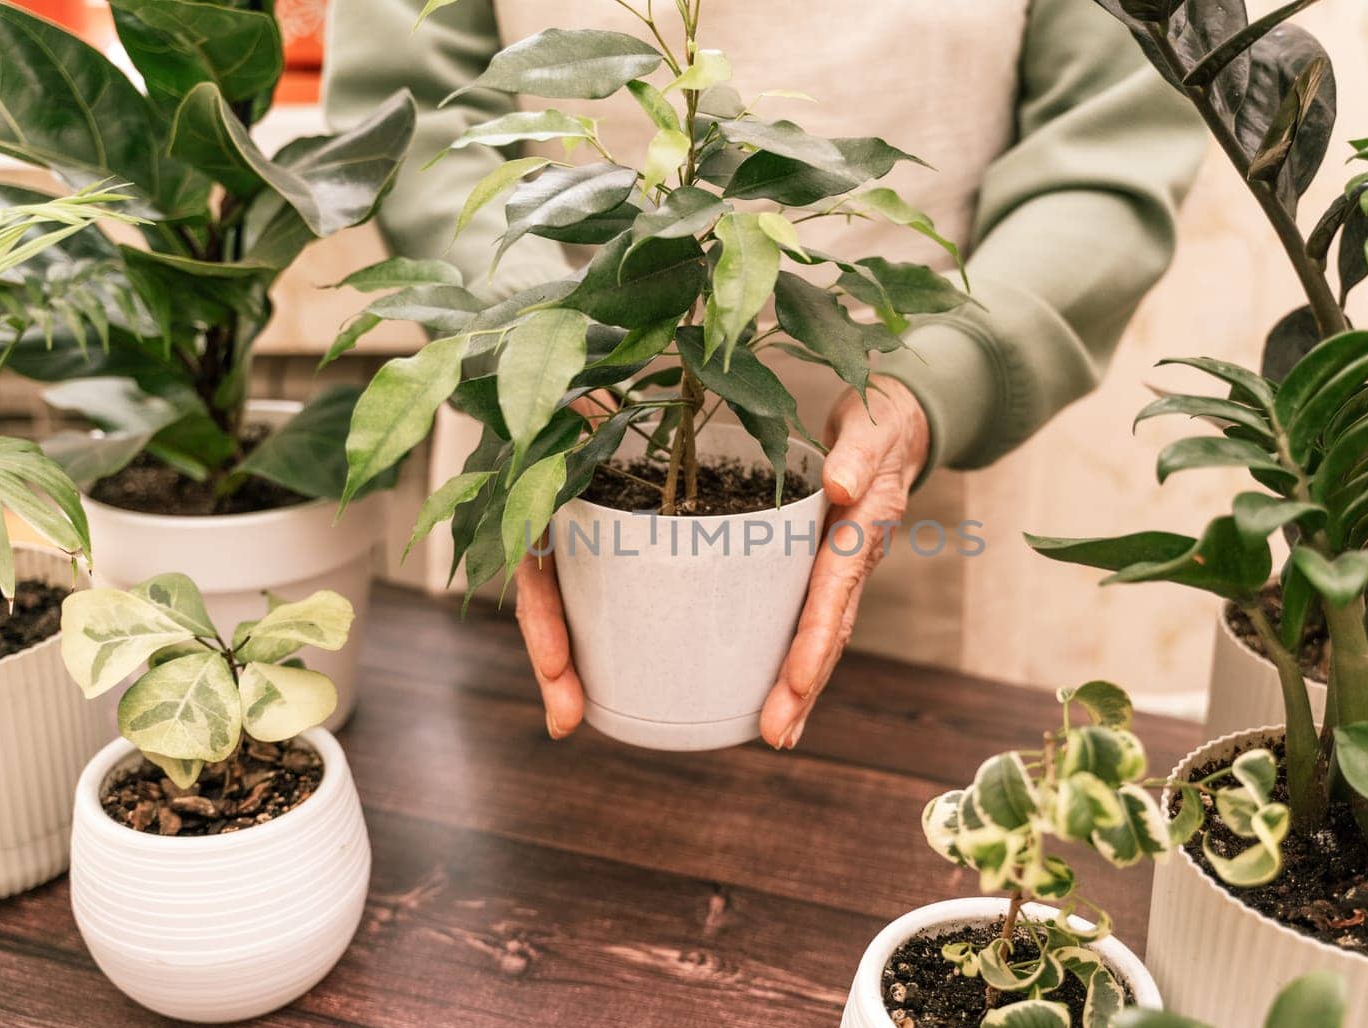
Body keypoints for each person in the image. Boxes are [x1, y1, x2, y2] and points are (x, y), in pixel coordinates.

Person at [324, 0, 1207, 749]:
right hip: (556, 425)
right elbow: (414, 105)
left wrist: (944, 374)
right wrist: (520, 323)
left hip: (878, 436)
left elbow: (1109, 137)